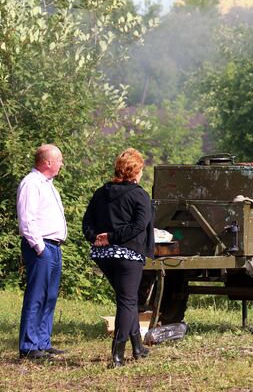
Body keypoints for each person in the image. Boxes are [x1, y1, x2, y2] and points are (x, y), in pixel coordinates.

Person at [82, 148, 154, 368]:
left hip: (103, 256)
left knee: (127, 299)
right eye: (141, 169)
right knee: (127, 301)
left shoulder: (100, 192)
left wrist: (98, 238)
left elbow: (87, 223)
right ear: (134, 171)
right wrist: (113, 237)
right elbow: (139, 225)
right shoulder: (139, 194)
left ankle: (138, 347)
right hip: (128, 255)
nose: (142, 174)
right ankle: (118, 354)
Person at [17, 144, 67, 359]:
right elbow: (27, 219)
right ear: (48, 162)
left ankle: (42, 341)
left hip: (54, 246)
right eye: (59, 161)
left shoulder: (48, 185)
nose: (61, 164)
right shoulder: (31, 183)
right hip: (41, 246)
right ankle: (28, 345)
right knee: (37, 295)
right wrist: (39, 248)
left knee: (50, 295)